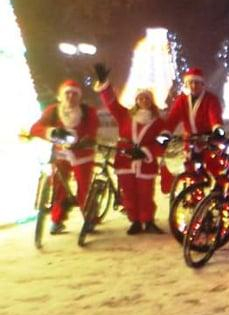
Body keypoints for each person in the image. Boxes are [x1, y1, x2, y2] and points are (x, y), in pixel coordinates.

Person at [92, 64, 166, 235]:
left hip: (145, 163)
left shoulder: (159, 122)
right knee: (129, 193)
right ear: (136, 101)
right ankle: (135, 221)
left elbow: (163, 141)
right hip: (125, 160)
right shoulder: (125, 115)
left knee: (145, 193)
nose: (143, 101)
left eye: (146, 98)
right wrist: (104, 85)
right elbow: (111, 103)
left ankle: (148, 221)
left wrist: (146, 152)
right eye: (141, 98)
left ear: (151, 101)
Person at [29, 79, 100, 234]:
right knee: (58, 187)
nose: (70, 97)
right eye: (67, 93)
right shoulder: (53, 111)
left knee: (84, 188)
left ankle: (90, 218)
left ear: (79, 97)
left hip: (82, 155)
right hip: (61, 155)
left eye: (74, 94)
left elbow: (92, 128)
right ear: (61, 95)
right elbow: (35, 128)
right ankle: (57, 220)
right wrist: (51, 132)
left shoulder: (88, 111)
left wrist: (85, 139)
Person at [164, 67, 226, 180]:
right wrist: (166, 133)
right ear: (186, 84)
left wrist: (217, 129)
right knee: (191, 171)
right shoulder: (182, 100)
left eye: (196, 82)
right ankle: (194, 194)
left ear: (202, 84)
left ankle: (223, 192)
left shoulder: (210, 99)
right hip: (191, 140)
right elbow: (173, 118)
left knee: (215, 168)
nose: (193, 85)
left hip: (208, 139)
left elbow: (215, 117)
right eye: (190, 82)